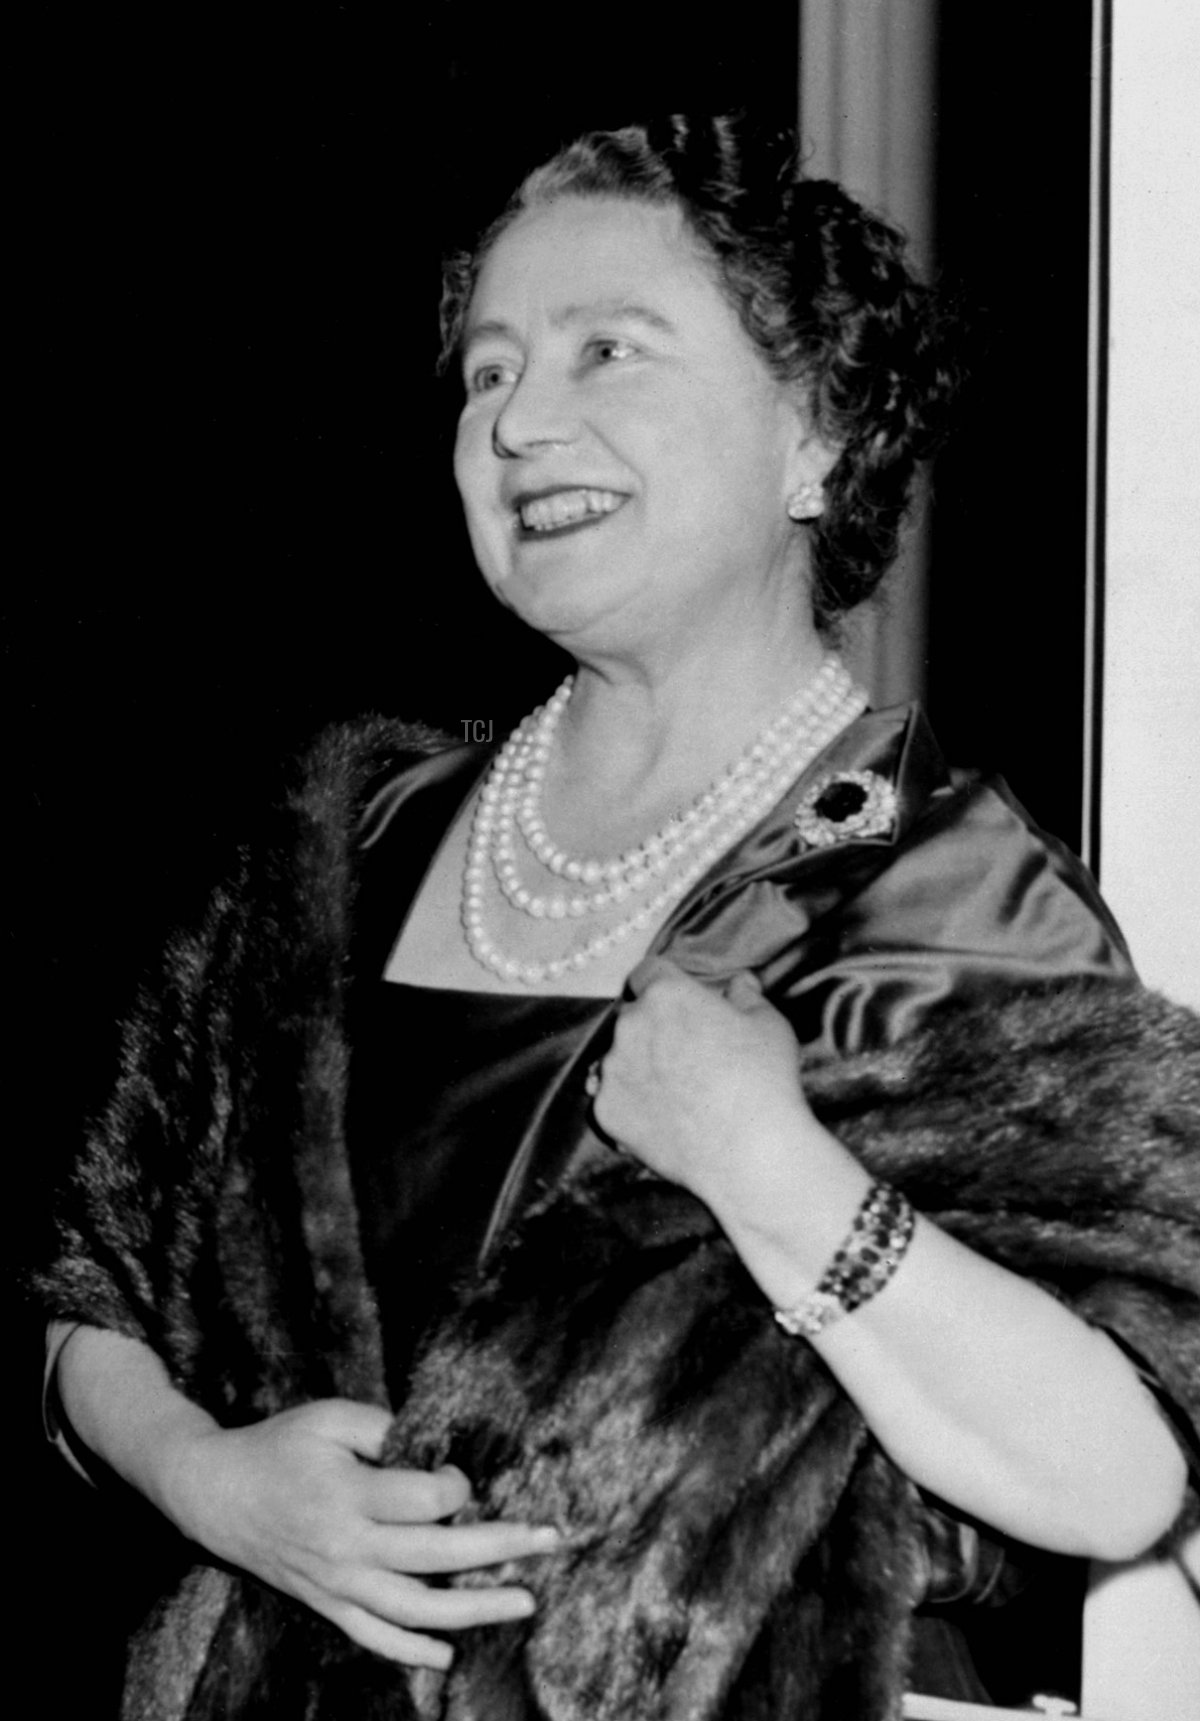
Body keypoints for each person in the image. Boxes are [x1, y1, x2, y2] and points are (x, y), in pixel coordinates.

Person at [36, 115, 1199, 1719]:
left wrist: (768, 1165)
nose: (522, 422)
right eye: (490, 374)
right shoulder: (350, 843)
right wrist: (210, 1481)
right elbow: (85, 1291)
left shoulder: (954, 895)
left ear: (815, 436)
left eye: (607, 351)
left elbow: (1121, 1472)